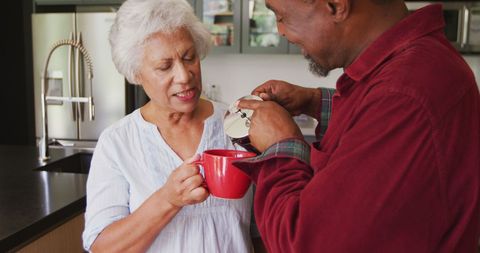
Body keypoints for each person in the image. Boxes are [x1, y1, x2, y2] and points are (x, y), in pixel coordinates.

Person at [235, 0, 480, 252]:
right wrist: (314, 101)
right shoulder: (413, 68)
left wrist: (280, 147)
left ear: (336, 5)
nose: (280, 31)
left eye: (282, 16)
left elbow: (306, 243)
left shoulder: (405, 95)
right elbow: (372, 118)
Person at [82, 0, 256, 252]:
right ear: (136, 74)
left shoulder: (238, 125)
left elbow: (263, 231)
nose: (184, 76)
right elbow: (102, 248)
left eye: (189, 57)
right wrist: (167, 200)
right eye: (164, 67)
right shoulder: (117, 143)